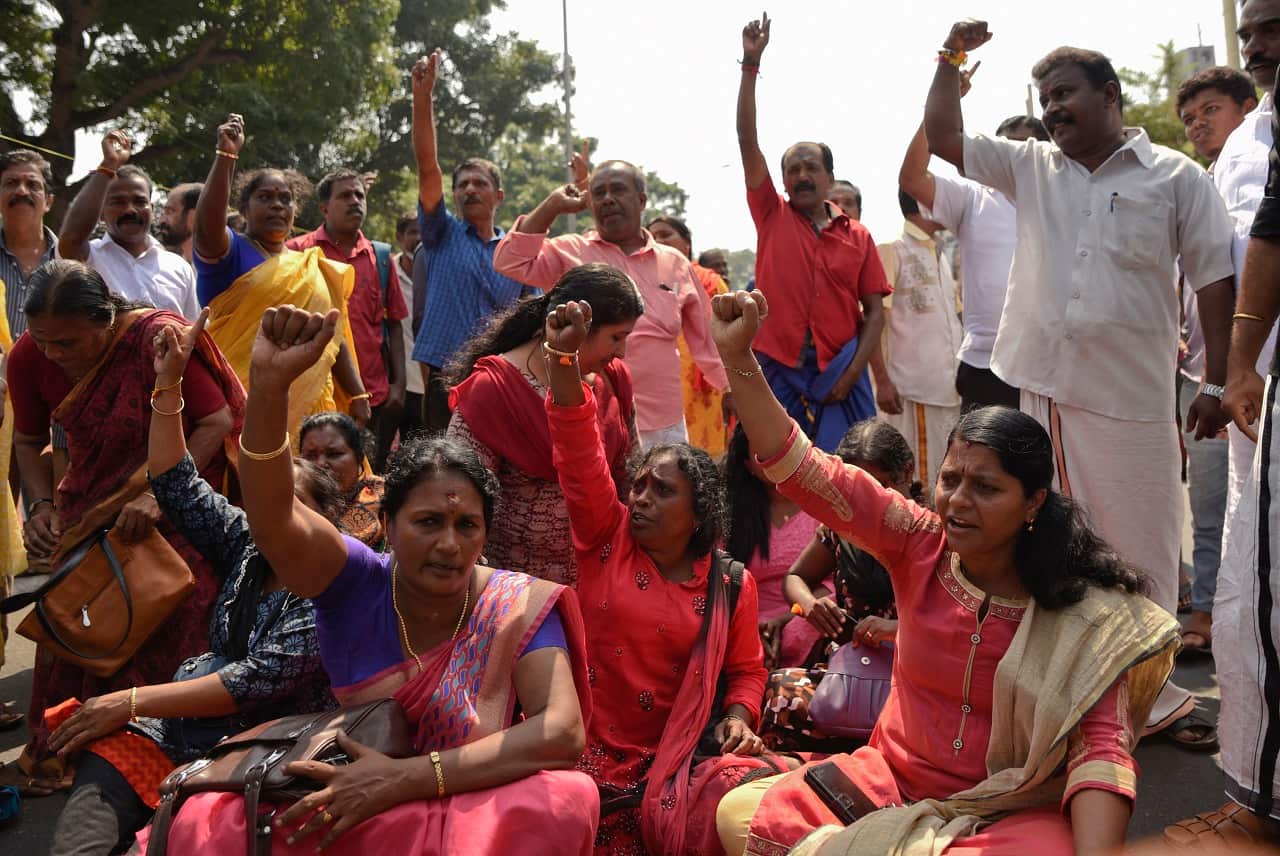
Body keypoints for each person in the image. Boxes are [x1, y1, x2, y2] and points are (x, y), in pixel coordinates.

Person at [708, 288, 1180, 856]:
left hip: (1004, 812)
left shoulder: (1086, 611)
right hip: (886, 784)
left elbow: (1101, 751)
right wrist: (738, 357)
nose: (957, 501)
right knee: (740, 814)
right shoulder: (918, 542)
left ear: (1033, 502)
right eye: (950, 479)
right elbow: (804, 467)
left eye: (986, 488)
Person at [141, 304, 599, 854]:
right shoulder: (355, 580)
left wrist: (406, 779)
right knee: (208, 823)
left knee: (566, 797)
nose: (450, 544)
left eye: (467, 525)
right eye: (428, 522)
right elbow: (273, 516)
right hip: (347, 796)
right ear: (386, 523)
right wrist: (267, 386)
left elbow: (562, 733)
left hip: (464, 798)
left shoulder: (516, 604)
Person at [924, 19, 1236, 751]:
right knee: (1052, 547)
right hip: (1045, 396)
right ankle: (1070, 698)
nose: (1054, 107)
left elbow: (1216, 275)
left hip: (1133, 400)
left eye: (1065, 93)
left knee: (1147, 551)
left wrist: (1219, 378)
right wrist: (950, 56)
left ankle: (1149, 697)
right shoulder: (1032, 166)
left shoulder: (1175, 178)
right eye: (1045, 96)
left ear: (1111, 95)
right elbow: (942, 136)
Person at [45, 310, 337, 856]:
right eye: (260, 502)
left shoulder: (329, 589)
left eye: (291, 506)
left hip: (265, 759)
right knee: (80, 837)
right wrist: (168, 384)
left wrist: (128, 700)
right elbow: (175, 483)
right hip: (179, 735)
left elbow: (252, 681)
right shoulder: (247, 544)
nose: (271, 516)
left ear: (330, 522)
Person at [542, 297, 774, 855]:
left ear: (699, 514)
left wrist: (740, 718)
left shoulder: (729, 585)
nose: (640, 498)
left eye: (662, 491)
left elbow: (747, 671)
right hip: (581, 753)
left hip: (675, 760)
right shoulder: (608, 536)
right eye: (639, 485)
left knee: (753, 805)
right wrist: (563, 360)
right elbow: (579, 452)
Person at [2, 259, 241, 792]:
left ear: (108, 319)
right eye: (44, 341)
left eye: (68, 342)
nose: (54, 355)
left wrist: (162, 495)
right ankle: (82, 751)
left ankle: (171, 757)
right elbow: (25, 440)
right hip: (88, 512)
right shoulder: (28, 355)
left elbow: (217, 422)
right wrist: (41, 507)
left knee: (178, 627)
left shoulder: (156, 340)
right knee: (83, 628)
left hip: (174, 513)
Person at [1166, 15, 1280, 846]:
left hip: (1263, 389)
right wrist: (1224, 375)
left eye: (1272, 27)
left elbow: (1269, 238)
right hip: (1251, 405)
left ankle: (1256, 810)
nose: (1258, 43)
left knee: (1259, 602)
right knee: (1246, 587)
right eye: (1248, 31)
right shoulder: (1237, 154)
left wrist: (1233, 366)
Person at [736, 14, 892, 453]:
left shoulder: (858, 236)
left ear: (829, 178)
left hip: (842, 367)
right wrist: (750, 66)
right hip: (778, 364)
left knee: (853, 468)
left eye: (811, 168)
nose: (802, 175)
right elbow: (748, 142)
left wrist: (851, 374)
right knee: (775, 467)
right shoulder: (770, 214)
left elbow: (875, 314)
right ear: (782, 180)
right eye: (793, 169)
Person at [495, 158, 729, 448]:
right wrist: (552, 205)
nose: (607, 199)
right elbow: (508, 260)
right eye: (598, 193)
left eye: (617, 190)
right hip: (589, 417)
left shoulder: (675, 263)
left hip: (664, 423)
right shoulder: (570, 252)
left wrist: (733, 392)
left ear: (641, 200)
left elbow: (707, 344)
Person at [445, 263, 641, 586]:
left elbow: (630, 471)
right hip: (517, 591)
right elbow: (458, 495)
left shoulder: (613, 379)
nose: (622, 351)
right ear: (580, 327)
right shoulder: (494, 389)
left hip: (599, 584)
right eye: (616, 337)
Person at [192, 112, 370, 439]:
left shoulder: (314, 266)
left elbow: (335, 332)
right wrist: (226, 156)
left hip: (313, 410)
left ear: (295, 211)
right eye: (265, 198)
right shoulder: (229, 254)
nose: (277, 205)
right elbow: (205, 229)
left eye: (285, 199)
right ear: (244, 210)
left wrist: (357, 392)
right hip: (239, 403)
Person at [898, 65, 1051, 411]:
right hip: (986, 365)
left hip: (1052, 362)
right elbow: (911, 177)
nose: (1014, 159)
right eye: (1004, 148)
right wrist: (939, 115)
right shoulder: (973, 197)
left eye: (1024, 149)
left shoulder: (1062, 194)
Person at [1173, 64, 1259, 656]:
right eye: (1189, 118)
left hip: (1256, 372)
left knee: (1262, 502)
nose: (1198, 123)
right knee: (1210, 506)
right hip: (1200, 376)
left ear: (1248, 108)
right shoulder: (1194, 184)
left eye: (1211, 110)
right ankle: (1206, 612)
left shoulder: (1260, 176)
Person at [760, 420, 909, 750]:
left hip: (913, 674)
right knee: (779, 694)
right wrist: (810, 606)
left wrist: (895, 628)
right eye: (857, 491)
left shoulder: (927, 532)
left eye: (879, 486)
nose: (868, 501)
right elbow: (795, 579)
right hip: (849, 673)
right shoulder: (842, 527)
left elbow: (957, 619)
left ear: (906, 475)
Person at [409, 51, 535, 434]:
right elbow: (427, 164)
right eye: (461, 184)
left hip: (500, 379)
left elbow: (533, 315)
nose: (468, 189)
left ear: (498, 196)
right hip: (443, 377)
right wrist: (423, 98)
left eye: (478, 183)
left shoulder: (517, 252)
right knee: (445, 472)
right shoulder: (440, 233)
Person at [289, 169, 409, 473]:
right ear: (324, 208)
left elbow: (394, 324)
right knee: (316, 478)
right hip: (316, 394)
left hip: (373, 395)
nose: (355, 201)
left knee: (371, 477)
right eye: (345, 195)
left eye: (360, 195)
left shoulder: (380, 256)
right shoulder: (298, 252)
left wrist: (398, 385)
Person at [868, 189, 964, 491]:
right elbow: (873, 320)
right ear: (924, 203)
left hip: (948, 387)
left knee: (946, 471)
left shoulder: (940, 253)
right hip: (912, 388)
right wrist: (882, 380)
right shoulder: (892, 248)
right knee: (918, 481)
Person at [57, 131, 200, 320]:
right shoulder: (89, 259)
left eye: (140, 201)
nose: (130, 210)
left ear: (152, 208)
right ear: (100, 213)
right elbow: (71, 238)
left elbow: (193, 331)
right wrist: (108, 166)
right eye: (118, 202)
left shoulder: (178, 267)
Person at [722, 425, 818, 669]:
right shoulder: (732, 517)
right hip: (749, 629)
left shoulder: (820, 505)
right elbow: (719, 584)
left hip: (810, 619)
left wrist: (788, 619)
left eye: (782, 445)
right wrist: (751, 629)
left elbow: (834, 582)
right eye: (762, 448)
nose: (775, 455)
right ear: (747, 464)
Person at [649, 215, 733, 456]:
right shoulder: (642, 281)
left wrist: (730, 387)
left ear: (687, 244)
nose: (659, 241)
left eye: (666, 235)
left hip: (707, 386)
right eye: (653, 237)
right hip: (661, 386)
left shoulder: (711, 281)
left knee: (707, 462)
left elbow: (725, 338)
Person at [299, 412, 386, 550]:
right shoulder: (292, 502)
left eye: (334, 454)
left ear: (359, 457)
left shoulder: (386, 496)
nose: (321, 464)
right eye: (310, 456)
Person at [0, 149, 59, 338]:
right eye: (11, 183)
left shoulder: (70, 261)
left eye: (33, 184)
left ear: (48, 202)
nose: (21, 191)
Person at [393, 212, 424, 442]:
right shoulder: (386, 271)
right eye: (413, 231)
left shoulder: (442, 275)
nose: (420, 237)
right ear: (400, 238)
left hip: (431, 384)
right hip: (398, 385)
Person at [157, 182, 203, 265]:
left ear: (193, 216)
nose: (162, 221)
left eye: (170, 212)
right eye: (164, 213)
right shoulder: (170, 265)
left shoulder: (221, 269)